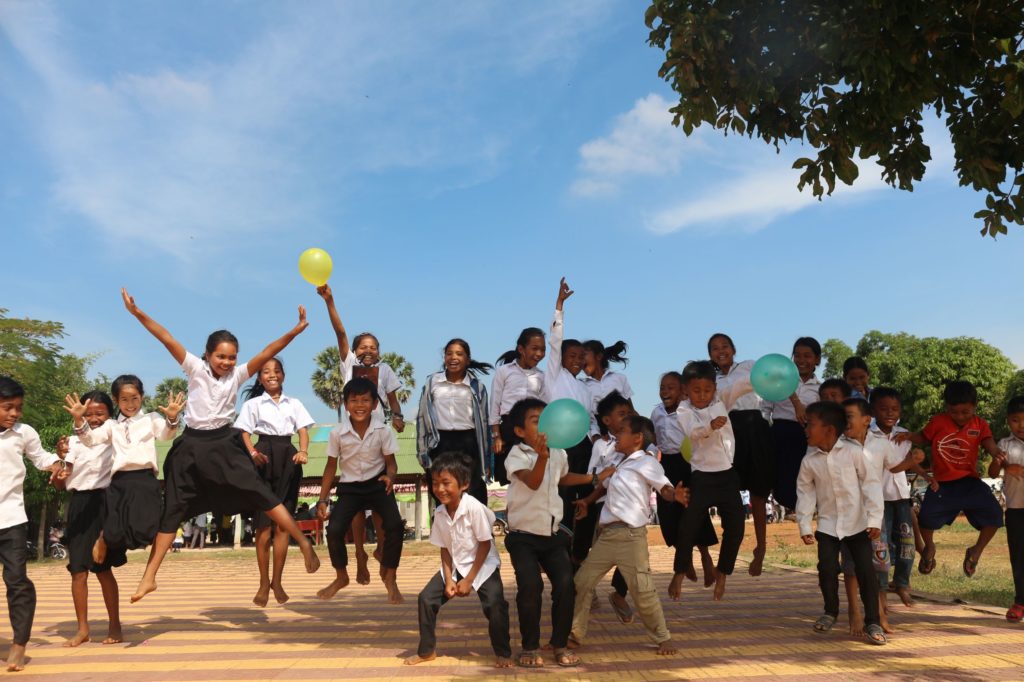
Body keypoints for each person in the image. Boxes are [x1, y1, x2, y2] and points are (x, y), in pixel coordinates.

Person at [120, 288, 320, 603]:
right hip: (192, 447)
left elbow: (270, 350)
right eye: (220, 356)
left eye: (231, 357)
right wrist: (138, 313)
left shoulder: (238, 376)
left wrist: (294, 331)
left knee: (262, 494)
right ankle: (149, 577)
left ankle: (304, 544)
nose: (226, 362)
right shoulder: (195, 369)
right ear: (208, 355)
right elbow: (167, 337)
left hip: (224, 444)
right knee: (173, 510)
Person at [502, 398, 613, 668]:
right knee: (531, 586)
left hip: (552, 534)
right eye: (535, 419)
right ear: (519, 431)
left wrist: (593, 478)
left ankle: (559, 644)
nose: (544, 423)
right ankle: (529, 647)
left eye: (546, 417)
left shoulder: (559, 452)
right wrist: (542, 457)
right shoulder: (517, 455)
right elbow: (533, 481)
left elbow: (561, 478)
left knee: (566, 586)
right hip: (522, 536)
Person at [570, 415, 681, 656]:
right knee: (582, 582)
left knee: (643, 589)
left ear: (637, 438)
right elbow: (603, 486)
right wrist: (588, 501)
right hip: (607, 536)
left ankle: (663, 638)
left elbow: (664, 486)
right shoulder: (620, 464)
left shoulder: (647, 463)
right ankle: (575, 634)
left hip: (631, 537)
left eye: (622, 431)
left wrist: (675, 495)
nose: (617, 435)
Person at [316, 284, 404, 583]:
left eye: (373, 347)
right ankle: (359, 555)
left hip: (377, 438)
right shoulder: (349, 365)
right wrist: (330, 302)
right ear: (354, 351)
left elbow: (393, 401)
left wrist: (399, 417)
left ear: (379, 351)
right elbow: (341, 333)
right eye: (362, 346)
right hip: (354, 439)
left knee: (382, 500)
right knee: (353, 508)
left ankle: (379, 547)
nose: (368, 351)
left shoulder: (387, 370)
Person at [405, 452, 512, 668]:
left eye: (446, 483)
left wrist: (469, 580)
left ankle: (503, 653)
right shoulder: (440, 512)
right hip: (455, 565)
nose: (440, 489)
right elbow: (445, 548)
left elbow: (485, 544)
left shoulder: (473, 508)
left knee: (495, 604)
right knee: (426, 599)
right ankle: (427, 651)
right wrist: (448, 580)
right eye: (435, 483)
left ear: (463, 484)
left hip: (483, 566)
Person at [64, 375, 184, 569]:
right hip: (119, 481)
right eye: (124, 400)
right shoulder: (112, 425)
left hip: (145, 479)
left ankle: (150, 568)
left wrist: (171, 417)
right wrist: (79, 420)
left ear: (142, 397)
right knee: (113, 530)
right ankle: (103, 540)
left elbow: (166, 434)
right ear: (115, 400)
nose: (130, 404)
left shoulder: (151, 419)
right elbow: (90, 440)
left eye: (134, 398)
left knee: (146, 530)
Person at [796, 401, 886, 645]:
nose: (805, 430)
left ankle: (873, 622)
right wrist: (805, 525)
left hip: (858, 524)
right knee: (826, 567)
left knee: (866, 572)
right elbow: (805, 494)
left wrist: (875, 518)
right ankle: (830, 611)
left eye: (810, 425)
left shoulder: (854, 452)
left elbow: (871, 484)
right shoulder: (809, 461)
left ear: (829, 429)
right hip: (827, 525)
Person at [896, 380, 1006, 577]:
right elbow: (923, 437)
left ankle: (976, 551)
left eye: (966, 412)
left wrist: (996, 452)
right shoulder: (938, 421)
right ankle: (929, 548)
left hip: (970, 482)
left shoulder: (980, 424)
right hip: (943, 484)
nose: (960, 417)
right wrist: (909, 436)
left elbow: (988, 442)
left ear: (975, 407)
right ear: (947, 408)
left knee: (996, 516)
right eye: (954, 412)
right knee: (925, 519)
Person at [316, 377, 405, 604]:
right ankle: (341, 576)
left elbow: (391, 463)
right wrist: (322, 500)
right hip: (350, 488)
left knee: (395, 525)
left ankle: (391, 578)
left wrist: (390, 476)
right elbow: (330, 467)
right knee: (334, 529)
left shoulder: (383, 431)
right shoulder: (337, 433)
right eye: (354, 401)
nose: (359, 405)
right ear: (345, 405)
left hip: (377, 484)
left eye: (365, 400)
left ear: (375, 404)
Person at [235, 357, 315, 607]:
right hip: (262, 457)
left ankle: (277, 582)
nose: (272, 375)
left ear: (283, 375)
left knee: (283, 526)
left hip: (288, 459)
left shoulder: (295, 403)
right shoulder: (253, 404)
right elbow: (244, 432)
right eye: (266, 372)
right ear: (260, 378)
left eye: (277, 371)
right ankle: (262, 583)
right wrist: (253, 453)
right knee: (263, 527)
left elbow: (303, 430)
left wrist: (303, 451)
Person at [674, 360, 755, 600]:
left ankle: (722, 574)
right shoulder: (684, 410)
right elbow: (694, 432)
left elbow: (744, 385)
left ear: (714, 387)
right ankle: (678, 572)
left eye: (707, 390)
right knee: (688, 527)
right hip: (701, 477)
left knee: (736, 528)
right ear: (686, 390)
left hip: (727, 475)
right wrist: (710, 425)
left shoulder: (722, 399)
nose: (702, 395)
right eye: (696, 391)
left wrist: (764, 377)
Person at [842, 398, 922, 635]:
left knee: (880, 560)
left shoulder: (880, 443)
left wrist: (912, 460)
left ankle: (880, 612)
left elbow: (894, 467)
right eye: (843, 417)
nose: (845, 421)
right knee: (850, 564)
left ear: (867, 420)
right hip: (848, 513)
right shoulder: (838, 445)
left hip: (875, 512)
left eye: (850, 416)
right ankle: (854, 609)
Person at [0, 377, 65, 671]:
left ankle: (18, 645)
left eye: (18, 408)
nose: (14, 414)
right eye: (7, 408)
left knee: (16, 581)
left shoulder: (24, 433)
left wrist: (58, 466)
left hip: (12, 519)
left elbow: (41, 458)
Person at [56, 390, 122, 647]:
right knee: (78, 571)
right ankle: (82, 628)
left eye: (99, 413)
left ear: (110, 414)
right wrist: (59, 472)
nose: (93, 418)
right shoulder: (72, 442)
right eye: (88, 413)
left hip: (106, 502)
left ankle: (114, 624)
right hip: (80, 505)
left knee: (103, 570)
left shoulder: (115, 436)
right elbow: (63, 480)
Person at [708, 333, 774, 576]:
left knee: (758, 494)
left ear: (733, 349)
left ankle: (761, 547)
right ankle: (728, 558)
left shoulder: (749, 366)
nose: (720, 351)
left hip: (755, 427)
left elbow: (774, 383)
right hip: (728, 433)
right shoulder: (711, 380)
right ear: (710, 355)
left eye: (725, 346)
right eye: (715, 348)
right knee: (730, 496)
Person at [542, 279, 597, 565]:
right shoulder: (553, 376)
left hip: (583, 447)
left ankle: (580, 555)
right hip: (559, 447)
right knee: (561, 498)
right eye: (571, 356)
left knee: (588, 496)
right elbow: (554, 341)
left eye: (580, 357)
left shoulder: (585, 389)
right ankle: (558, 555)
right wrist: (559, 307)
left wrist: (597, 439)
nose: (576, 360)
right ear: (562, 357)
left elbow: (590, 421)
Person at [650, 372, 718, 594]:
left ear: (682, 391)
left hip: (688, 463)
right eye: (662, 387)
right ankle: (684, 557)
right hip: (666, 465)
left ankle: (706, 557)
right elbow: (653, 441)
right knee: (669, 514)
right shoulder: (656, 412)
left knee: (693, 512)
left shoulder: (689, 411)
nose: (665, 392)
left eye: (671, 387)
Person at [416, 338, 493, 506]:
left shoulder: (477, 387)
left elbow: (485, 422)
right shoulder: (432, 382)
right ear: (444, 358)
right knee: (443, 494)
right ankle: (445, 530)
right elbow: (422, 417)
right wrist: (423, 453)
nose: (453, 357)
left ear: (467, 359)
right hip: (440, 443)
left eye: (459, 354)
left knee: (471, 494)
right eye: (449, 353)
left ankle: (478, 531)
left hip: (468, 443)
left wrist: (486, 459)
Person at [870, 387, 923, 607]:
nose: (889, 413)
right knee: (880, 545)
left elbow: (910, 463)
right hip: (878, 497)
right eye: (883, 409)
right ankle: (880, 587)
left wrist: (928, 475)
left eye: (894, 409)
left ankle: (902, 582)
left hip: (901, 496)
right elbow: (895, 466)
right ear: (872, 410)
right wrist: (912, 461)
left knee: (906, 541)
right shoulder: (867, 435)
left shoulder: (904, 434)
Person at [763, 337, 823, 512]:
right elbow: (765, 409)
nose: (801, 360)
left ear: (817, 359)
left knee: (803, 480)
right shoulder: (778, 381)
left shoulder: (820, 389)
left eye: (807, 356)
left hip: (806, 438)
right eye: (797, 355)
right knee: (781, 482)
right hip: (779, 436)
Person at [993, 396, 1024, 622]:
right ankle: (1020, 601)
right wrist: (1001, 462)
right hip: (1015, 509)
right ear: (1008, 421)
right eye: (1015, 420)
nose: (1021, 425)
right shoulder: (1004, 444)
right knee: (1019, 556)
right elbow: (993, 472)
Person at [581, 339, 634, 416]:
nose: (581, 360)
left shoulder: (619, 378)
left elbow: (631, 410)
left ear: (599, 356)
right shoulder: (581, 385)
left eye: (584, 355)